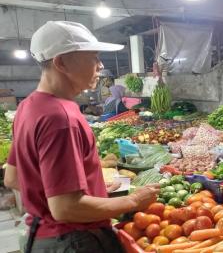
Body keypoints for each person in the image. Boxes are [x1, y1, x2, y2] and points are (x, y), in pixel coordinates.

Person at [3, 21, 160, 252]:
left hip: (41, 236)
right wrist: (133, 201)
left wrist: (89, 190)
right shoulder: (62, 118)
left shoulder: (28, 107)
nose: (100, 65)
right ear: (61, 62)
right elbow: (65, 208)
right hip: (74, 241)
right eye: (93, 57)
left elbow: (13, 178)